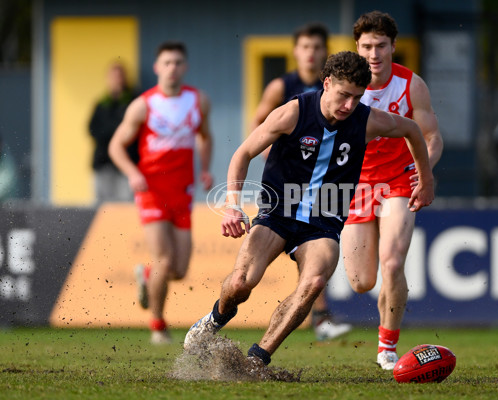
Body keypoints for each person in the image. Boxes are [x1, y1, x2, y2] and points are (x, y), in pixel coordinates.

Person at [183, 51, 434, 368]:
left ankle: (257, 359)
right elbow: (243, 153)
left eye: (357, 98)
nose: (349, 106)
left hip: (323, 224)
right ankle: (216, 317)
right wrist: (232, 206)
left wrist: (424, 181)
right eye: (343, 96)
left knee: (315, 282)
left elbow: (412, 129)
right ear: (327, 84)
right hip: (277, 214)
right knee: (241, 283)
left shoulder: (366, 120)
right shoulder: (293, 112)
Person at [341, 11, 444, 370]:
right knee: (360, 281)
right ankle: (385, 341)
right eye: (367, 46)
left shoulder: (410, 84)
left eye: (381, 45)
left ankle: (387, 347)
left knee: (393, 262)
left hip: (399, 182)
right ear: (357, 47)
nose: (374, 53)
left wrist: (423, 170)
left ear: (393, 47)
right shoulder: (345, 85)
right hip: (355, 186)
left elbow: (431, 137)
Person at [250, 22, 351, 341]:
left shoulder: (340, 90)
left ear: (325, 52)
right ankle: (320, 318)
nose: (311, 54)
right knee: (250, 274)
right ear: (296, 52)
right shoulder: (282, 87)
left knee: (314, 254)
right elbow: (259, 125)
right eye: (305, 47)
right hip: (286, 188)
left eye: (317, 48)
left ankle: (320, 318)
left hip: (324, 188)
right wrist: (274, 157)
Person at [108, 41, 214, 344]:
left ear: (185, 67)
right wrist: (132, 173)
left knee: (178, 271)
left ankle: (146, 275)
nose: (172, 68)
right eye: (167, 63)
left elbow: (205, 137)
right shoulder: (143, 104)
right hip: (151, 189)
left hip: (182, 191)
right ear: (157, 67)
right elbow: (115, 146)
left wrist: (205, 168)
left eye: (178, 62)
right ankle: (158, 325)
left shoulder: (198, 100)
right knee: (165, 260)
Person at [89, 62, 138, 203]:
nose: (117, 80)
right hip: (103, 163)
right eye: (113, 76)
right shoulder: (102, 103)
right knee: (101, 206)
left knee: (125, 206)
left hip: (126, 164)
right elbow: (92, 129)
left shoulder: (134, 101)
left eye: (119, 76)